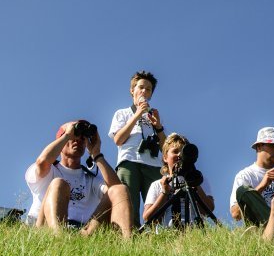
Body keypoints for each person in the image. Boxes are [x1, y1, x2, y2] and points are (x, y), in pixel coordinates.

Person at [24, 120, 133, 238]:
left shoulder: (90, 177)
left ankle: (127, 247)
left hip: (83, 232)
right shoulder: (50, 170)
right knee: (58, 183)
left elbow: (118, 194)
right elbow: (42, 163)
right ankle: (58, 240)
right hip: (46, 230)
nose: (78, 140)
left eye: (83, 137)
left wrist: (96, 155)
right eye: (74, 135)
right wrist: (67, 135)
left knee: (120, 189)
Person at [109, 70, 167, 227]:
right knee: (128, 203)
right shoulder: (122, 113)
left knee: (157, 204)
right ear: (132, 90)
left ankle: (156, 236)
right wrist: (137, 115)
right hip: (129, 162)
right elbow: (118, 139)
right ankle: (128, 237)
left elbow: (166, 150)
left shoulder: (154, 116)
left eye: (148, 89)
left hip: (154, 164)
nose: (144, 91)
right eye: (141, 87)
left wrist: (159, 127)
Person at [143, 133, 215, 227]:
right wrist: (164, 192)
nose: (179, 155)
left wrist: (195, 184)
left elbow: (208, 210)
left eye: (182, 152)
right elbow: (148, 219)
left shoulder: (200, 180)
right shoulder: (157, 185)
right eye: (175, 151)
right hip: (168, 235)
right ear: (165, 157)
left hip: (194, 233)